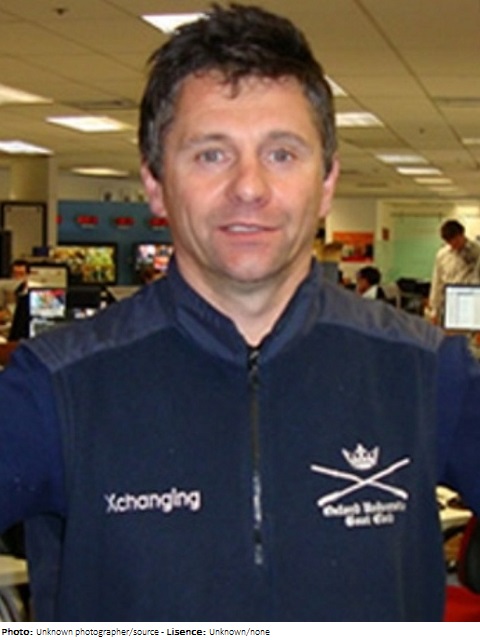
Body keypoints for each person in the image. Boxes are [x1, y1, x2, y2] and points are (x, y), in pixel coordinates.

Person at [0, 4, 479, 622]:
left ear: (327, 182)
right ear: (155, 183)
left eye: (282, 154)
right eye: (211, 154)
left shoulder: (426, 372)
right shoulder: (57, 386)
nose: (249, 187)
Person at [428, 219, 480, 323]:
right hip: (450, 302)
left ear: (462, 234)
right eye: (449, 242)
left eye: (456, 240)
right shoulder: (442, 255)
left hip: (473, 301)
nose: (453, 244)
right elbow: (437, 283)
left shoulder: (477, 251)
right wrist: (434, 310)